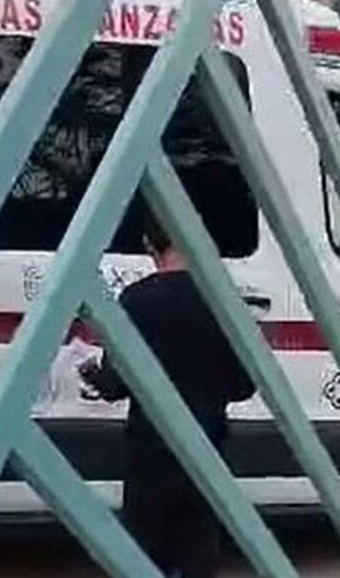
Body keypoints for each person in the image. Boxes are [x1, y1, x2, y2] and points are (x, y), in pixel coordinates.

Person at [78, 214, 255, 578]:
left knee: (142, 559)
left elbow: (116, 383)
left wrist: (90, 372)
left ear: (149, 246)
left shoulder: (137, 300)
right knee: (198, 559)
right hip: (206, 450)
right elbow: (243, 385)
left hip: (150, 455)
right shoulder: (223, 301)